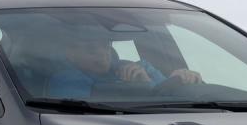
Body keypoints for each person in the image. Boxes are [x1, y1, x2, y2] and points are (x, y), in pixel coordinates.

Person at [47, 34, 202, 98]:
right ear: (70, 53)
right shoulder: (64, 79)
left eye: (106, 46)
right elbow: (91, 107)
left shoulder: (140, 67)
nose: (103, 54)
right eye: (91, 49)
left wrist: (182, 79)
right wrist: (140, 88)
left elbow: (167, 94)